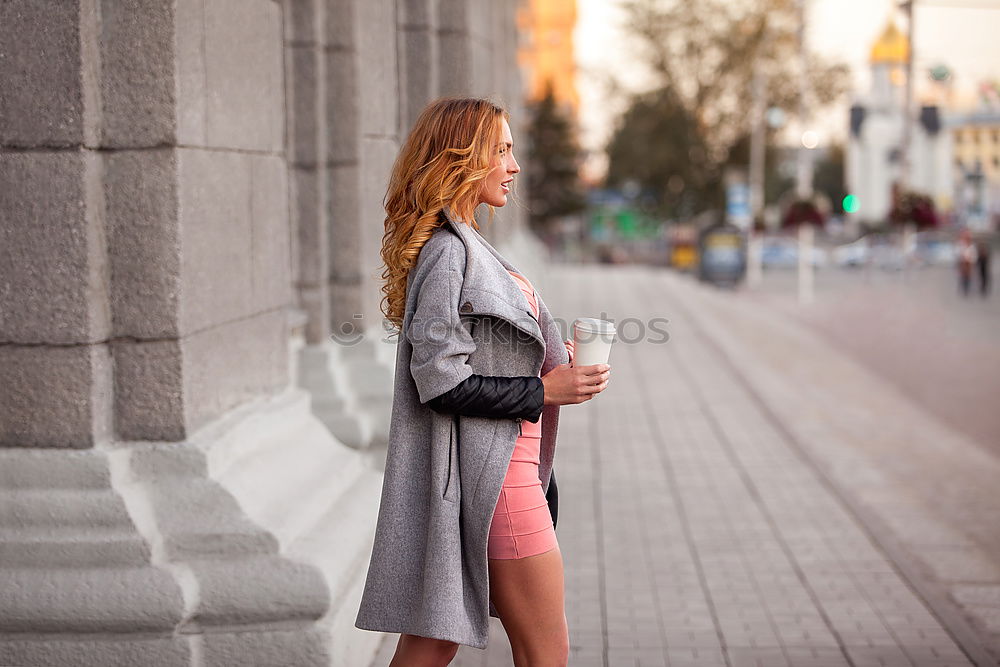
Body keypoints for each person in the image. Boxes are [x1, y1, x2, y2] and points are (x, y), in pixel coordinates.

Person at [354, 97, 611, 666]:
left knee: (433, 643)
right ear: (462, 158)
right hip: (500, 486)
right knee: (546, 653)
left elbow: (480, 356)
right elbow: (440, 382)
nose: (514, 166)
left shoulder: (468, 244)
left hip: (500, 475)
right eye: (502, 150)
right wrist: (546, 390)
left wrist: (549, 360)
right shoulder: (449, 253)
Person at [957, 228, 978, 297]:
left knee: (968, 277)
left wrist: (970, 259)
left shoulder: (971, 245)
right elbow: (958, 253)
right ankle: (964, 289)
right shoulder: (961, 244)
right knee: (963, 276)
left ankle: (967, 289)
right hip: (963, 263)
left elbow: (974, 255)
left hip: (968, 263)